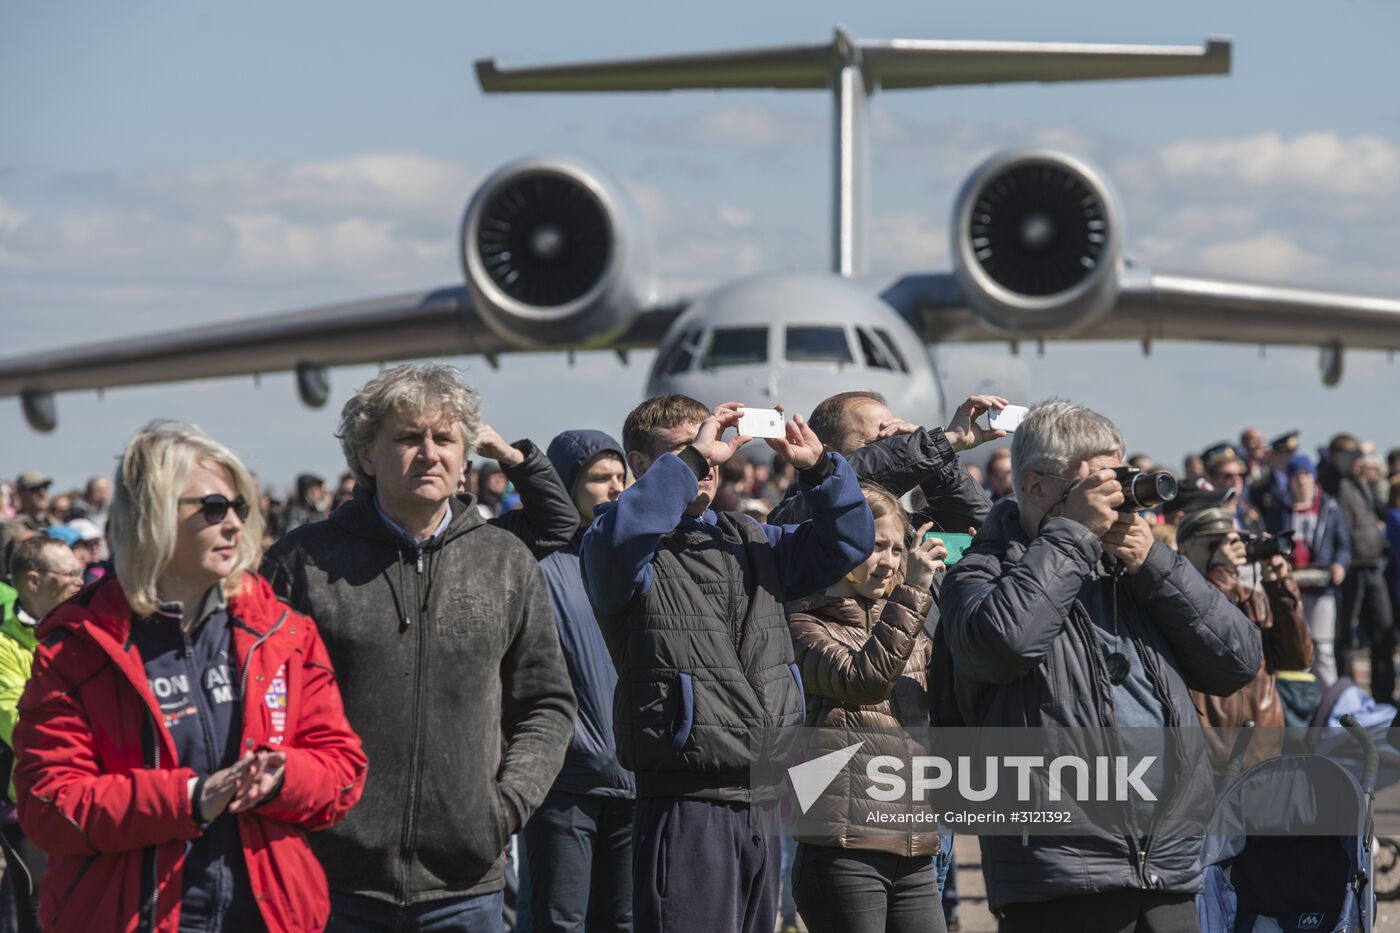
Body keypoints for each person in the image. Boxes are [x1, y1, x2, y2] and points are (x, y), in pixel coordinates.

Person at [13, 421, 367, 933]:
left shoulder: (285, 632)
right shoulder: (79, 646)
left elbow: (343, 770)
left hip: (269, 914)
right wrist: (187, 800)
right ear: (151, 514)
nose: (234, 525)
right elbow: (50, 805)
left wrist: (283, 777)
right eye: (213, 508)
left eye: (240, 508)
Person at [261, 363, 577, 932]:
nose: (429, 453)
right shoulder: (300, 563)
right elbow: (262, 704)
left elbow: (546, 703)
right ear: (365, 455)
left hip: (465, 885)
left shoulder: (504, 562)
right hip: (330, 880)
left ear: (464, 461)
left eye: (445, 439)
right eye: (408, 438)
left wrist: (504, 808)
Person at [940, 400, 1261, 930]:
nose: (1114, 498)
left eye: (1119, 478)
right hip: (1060, 872)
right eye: (1097, 484)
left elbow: (1238, 662)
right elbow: (1002, 645)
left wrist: (1156, 566)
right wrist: (1071, 535)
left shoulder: (1138, 571)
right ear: (1037, 486)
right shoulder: (981, 570)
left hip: (1167, 867)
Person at [580, 396, 874, 933]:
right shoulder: (617, 546)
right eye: (689, 452)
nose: (710, 463)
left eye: (716, 451)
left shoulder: (752, 539)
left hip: (762, 798)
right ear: (641, 466)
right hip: (687, 804)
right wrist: (689, 463)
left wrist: (821, 470)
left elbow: (850, 543)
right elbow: (622, 539)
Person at [787, 483, 947, 933]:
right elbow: (862, 680)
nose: (891, 562)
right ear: (838, 542)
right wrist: (914, 591)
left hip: (915, 848)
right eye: (876, 546)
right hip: (842, 849)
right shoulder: (802, 622)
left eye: (898, 549)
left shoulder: (909, 621)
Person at [516, 429, 635, 933]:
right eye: (598, 478)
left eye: (620, 477)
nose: (614, 488)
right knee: (557, 922)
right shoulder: (534, 563)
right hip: (564, 784)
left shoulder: (634, 558)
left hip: (633, 781)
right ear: (566, 485)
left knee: (625, 921)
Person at [1175, 507, 1312, 771]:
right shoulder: (1172, 604)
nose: (1226, 552)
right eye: (1215, 545)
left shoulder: (1253, 601)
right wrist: (1221, 572)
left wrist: (1281, 587)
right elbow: (1203, 624)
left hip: (1260, 754)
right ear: (1183, 550)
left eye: (1231, 543)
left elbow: (1297, 659)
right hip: (1207, 760)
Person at [769, 391, 1001, 533]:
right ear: (823, 453)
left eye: (896, 441)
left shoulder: (903, 529)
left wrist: (938, 464)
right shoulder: (797, 515)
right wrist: (941, 443)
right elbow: (841, 483)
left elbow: (978, 526)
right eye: (876, 445)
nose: (892, 451)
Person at [0, 537, 84, 933]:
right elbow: (16, 721)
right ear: (33, 581)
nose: (80, 582)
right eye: (69, 574)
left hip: (93, 798)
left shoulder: (91, 629)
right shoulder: (3, 645)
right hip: (31, 805)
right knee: (38, 915)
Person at [1259, 455, 1350, 683]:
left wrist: (1340, 565)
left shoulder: (1328, 507)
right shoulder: (1278, 508)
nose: (1302, 481)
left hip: (1321, 588)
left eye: (1306, 475)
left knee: (1323, 649)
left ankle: (1330, 704)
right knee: (1294, 645)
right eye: (1297, 476)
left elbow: (1344, 545)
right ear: (1289, 480)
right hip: (1289, 587)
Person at [1320, 433, 1395, 702]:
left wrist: (1366, 478)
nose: (1359, 462)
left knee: (1383, 630)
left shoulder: (1359, 482)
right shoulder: (1334, 481)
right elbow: (1329, 474)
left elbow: (1380, 510)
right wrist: (1341, 462)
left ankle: (1384, 694)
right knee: (1346, 637)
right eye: (1353, 457)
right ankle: (1348, 695)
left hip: (1373, 566)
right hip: (1352, 569)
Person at [1202, 443, 1264, 535]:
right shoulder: (1206, 514)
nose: (1236, 480)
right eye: (1228, 476)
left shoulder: (1250, 512)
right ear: (1212, 479)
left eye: (1240, 475)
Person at [0, 472, 54, 578]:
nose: (42, 493)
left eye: (45, 487)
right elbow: (5, 569)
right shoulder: (11, 528)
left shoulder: (56, 524)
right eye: (35, 488)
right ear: (20, 493)